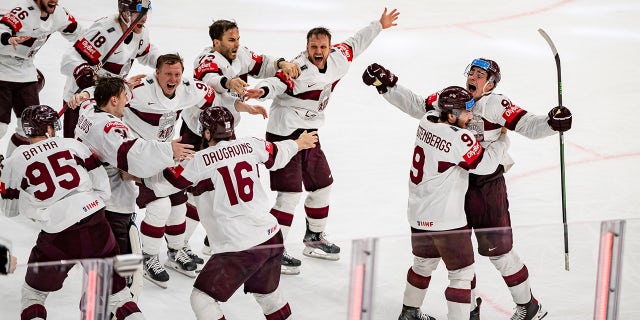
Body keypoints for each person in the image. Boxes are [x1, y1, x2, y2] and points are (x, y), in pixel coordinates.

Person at [362, 59, 572, 320]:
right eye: (471, 71)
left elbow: (528, 124)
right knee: (461, 259)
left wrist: (551, 124)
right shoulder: (453, 99)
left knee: (500, 253)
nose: (472, 76)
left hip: (486, 187)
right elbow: (418, 105)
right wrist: (388, 86)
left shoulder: (496, 104)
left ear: (491, 84)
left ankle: (528, 305)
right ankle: (469, 310)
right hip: (455, 185)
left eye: (480, 74)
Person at [244, 7, 400, 274]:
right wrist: (262, 91)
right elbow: (278, 82)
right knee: (289, 196)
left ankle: (314, 237)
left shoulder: (339, 57)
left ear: (329, 47)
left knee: (322, 186)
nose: (318, 51)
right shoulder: (300, 68)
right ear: (306, 48)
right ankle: (272, 252)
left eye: (323, 46)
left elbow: (356, 42)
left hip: (311, 133)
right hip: (285, 134)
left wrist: (379, 25)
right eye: (313, 46)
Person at [140, 106, 318, 320]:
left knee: (202, 298)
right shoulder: (250, 144)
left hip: (239, 246)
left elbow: (161, 186)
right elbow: (278, 153)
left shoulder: (198, 160)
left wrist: (134, 174)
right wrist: (300, 143)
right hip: (271, 237)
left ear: (206, 133)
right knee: (268, 296)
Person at [123, 53, 266, 287]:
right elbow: (107, 103)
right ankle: (147, 257)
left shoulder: (189, 87)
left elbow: (215, 103)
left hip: (169, 152)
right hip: (138, 153)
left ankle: (175, 251)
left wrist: (245, 108)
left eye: (177, 74)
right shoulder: (138, 90)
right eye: (168, 74)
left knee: (180, 204)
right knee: (160, 206)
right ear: (156, 73)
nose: (173, 78)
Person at [0, 105, 144, 319]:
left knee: (33, 296)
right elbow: (103, 189)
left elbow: (10, 210)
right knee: (119, 297)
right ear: (49, 129)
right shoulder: (73, 145)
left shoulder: (13, 162)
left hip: (57, 236)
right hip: (96, 224)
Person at [74, 76, 196, 298]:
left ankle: (104, 302)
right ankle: (120, 303)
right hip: (114, 206)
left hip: (90, 199)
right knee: (123, 275)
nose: (127, 101)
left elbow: (89, 96)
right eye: (123, 97)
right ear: (112, 100)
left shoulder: (88, 110)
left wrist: (87, 93)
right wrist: (170, 151)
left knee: (100, 269)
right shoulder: (111, 127)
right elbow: (133, 159)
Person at [190, 18, 301, 256]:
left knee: (222, 185)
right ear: (216, 42)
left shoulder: (240, 54)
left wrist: (282, 63)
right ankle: (176, 246)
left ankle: (214, 238)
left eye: (238, 38)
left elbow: (263, 63)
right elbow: (210, 79)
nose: (237, 44)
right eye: (231, 40)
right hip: (199, 131)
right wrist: (229, 82)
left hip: (224, 129)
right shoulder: (207, 59)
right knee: (197, 189)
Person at [60, 0, 157, 139]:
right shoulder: (104, 31)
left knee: (107, 146)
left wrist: (161, 61)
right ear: (124, 13)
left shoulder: (142, 32)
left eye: (146, 12)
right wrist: (81, 70)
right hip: (81, 97)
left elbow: (146, 53)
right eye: (138, 12)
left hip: (111, 98)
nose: (144, 17)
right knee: (74, 147)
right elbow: (69, 58)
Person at [0, 0, 83, 156]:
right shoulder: (23, 12)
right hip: (2, 71)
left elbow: (78, 32)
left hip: (26, 72)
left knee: (29, 130)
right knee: (0, 128)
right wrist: (7, 39)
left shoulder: (59, 14)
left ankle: (9, 167)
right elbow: (2, 28)